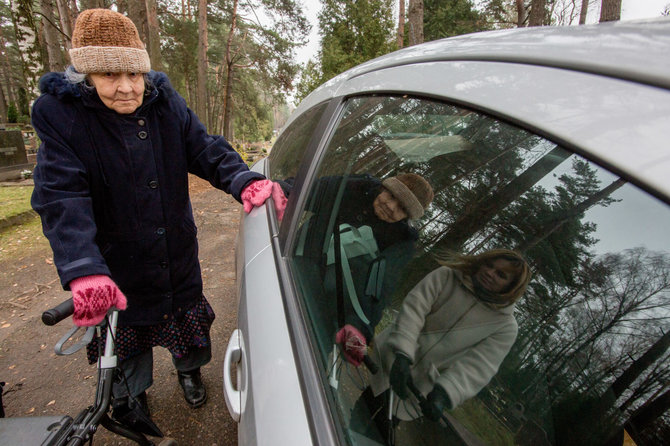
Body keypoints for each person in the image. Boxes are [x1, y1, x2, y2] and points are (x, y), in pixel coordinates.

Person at [30, 8, 286, 428]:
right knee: (126, 335)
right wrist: (84, 268)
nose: (128, 88)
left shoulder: (165, 102)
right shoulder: (62, 116)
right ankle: (133, 395)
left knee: (185, 319)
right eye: (111, 76)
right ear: (85, 76)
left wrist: (242, 179)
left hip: (173, 249)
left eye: (135, 74)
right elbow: (61, 195)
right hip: (116, 260)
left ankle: (189, 371)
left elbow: (203, 148)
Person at [358, 249, 530, 435]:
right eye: (489, 265)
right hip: (386, 362)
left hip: (417, 391)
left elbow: (478, 366)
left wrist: (444, 393)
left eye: (501, 275)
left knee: (377, 434)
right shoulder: (447, 276)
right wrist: (403, 353)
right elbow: (415, 309)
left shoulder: (504, 326)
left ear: (511, 287)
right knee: (356, 416)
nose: (490, 273)